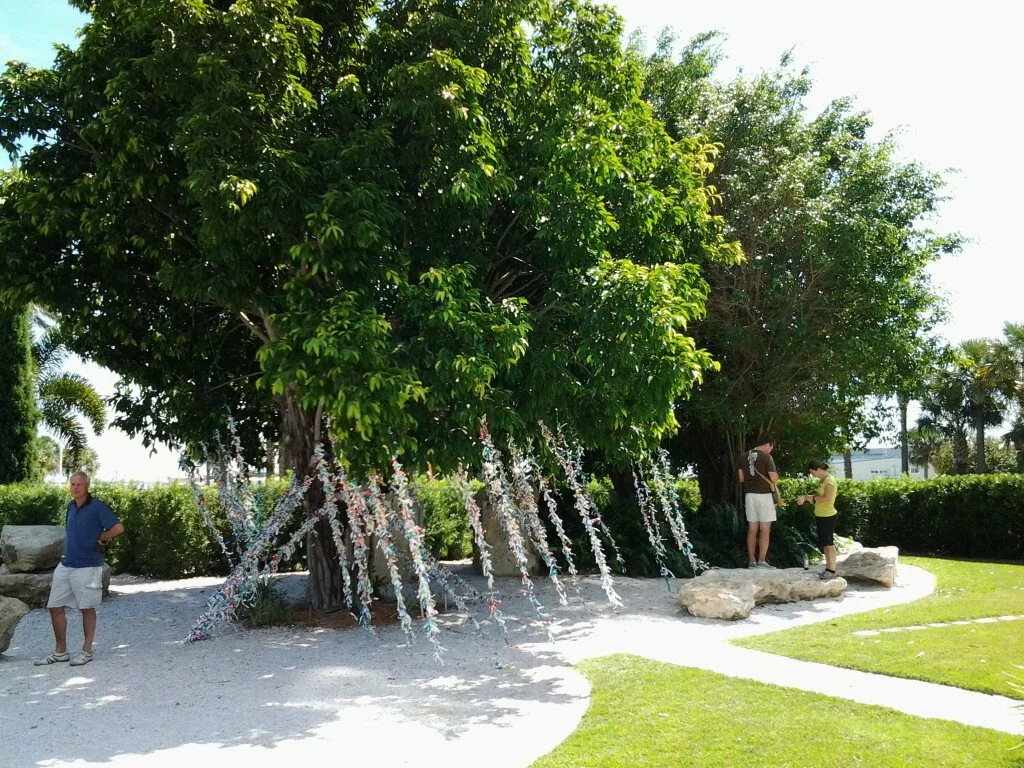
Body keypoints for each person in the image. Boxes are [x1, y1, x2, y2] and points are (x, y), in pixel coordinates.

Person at [34, 472, 124, 667]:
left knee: (86, 608)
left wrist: (103, 536)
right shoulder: (70, 506)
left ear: (87, 486)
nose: (75, 487)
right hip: (66, 564)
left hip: (88, 565)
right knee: (54, 607)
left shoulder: (97, 506)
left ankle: (86, 651)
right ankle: (60, 652)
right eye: (72, 484)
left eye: (79, 484)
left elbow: (118, 527)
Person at [737, 436, 780, 568]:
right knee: (765, 529)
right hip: (764, 496)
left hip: (749, 495)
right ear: (767, 444)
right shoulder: (767, 457)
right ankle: (761, 561)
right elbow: (773, 478)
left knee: (752, 529)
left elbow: (741, 478)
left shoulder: (742, 457)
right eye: (771, 447)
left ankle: (751, 561)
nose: (770, 450)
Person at [797, 461, 839, 580]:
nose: (813, 475)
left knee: (829, 544)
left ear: (819, 469)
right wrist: (807, 498)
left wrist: (811, 498)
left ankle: (832, 570)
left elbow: (827, 498)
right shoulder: (823, 480)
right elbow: (819, 496)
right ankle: (828, 569)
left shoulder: (830, 481)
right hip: (821, 515)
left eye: (813, 472)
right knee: (825, 544)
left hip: (828, 516)